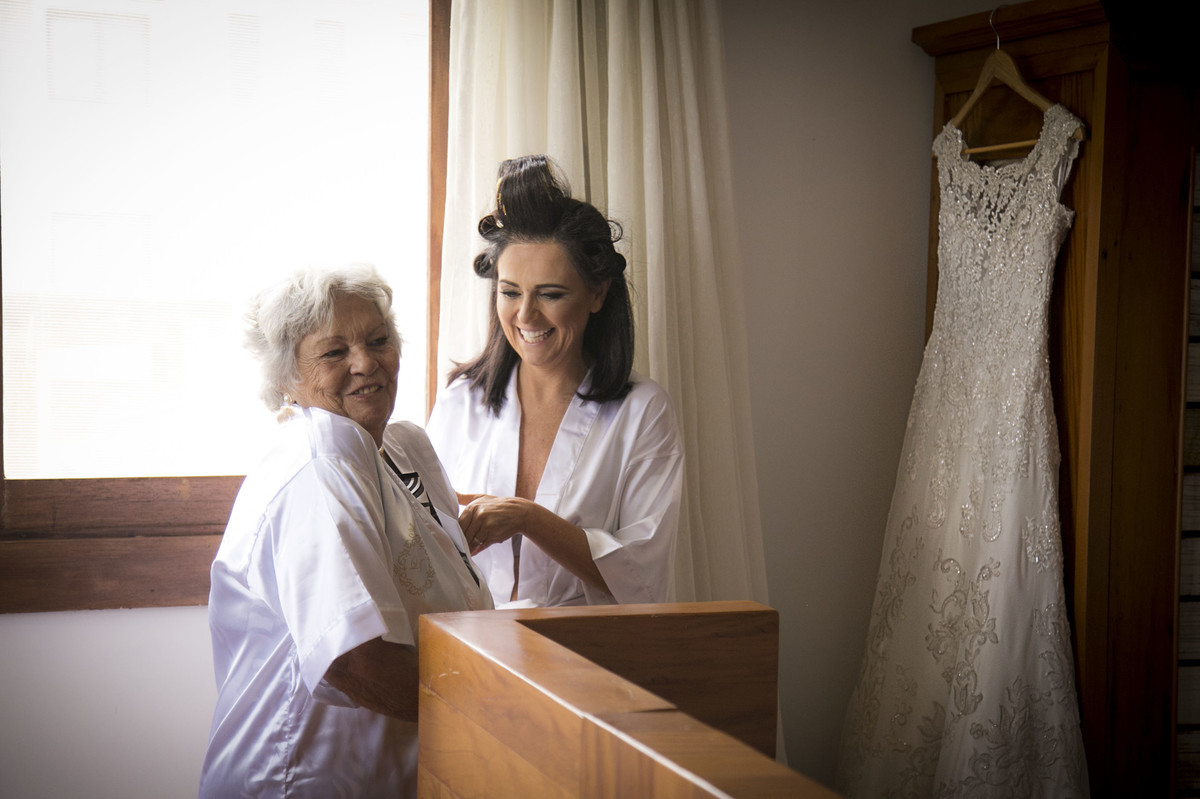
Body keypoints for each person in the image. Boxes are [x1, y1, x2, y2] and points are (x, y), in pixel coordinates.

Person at [198, 266, 491, 798]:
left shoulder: (395, 446)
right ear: (286, 379)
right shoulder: (317, 465)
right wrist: (500, 717)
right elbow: (355, 661)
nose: (365, 363)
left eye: (378, 341)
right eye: (334, 352)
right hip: (302, 779)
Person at [426, 155, 683, 608]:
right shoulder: (461, 401)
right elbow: (420, 548)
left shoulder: (643, 412)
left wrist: (529, 519)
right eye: (510, 292)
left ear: (597, 293)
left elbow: (643, 576)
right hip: (467, 640)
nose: (526, 316)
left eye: (550, 294)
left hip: (583, 646)